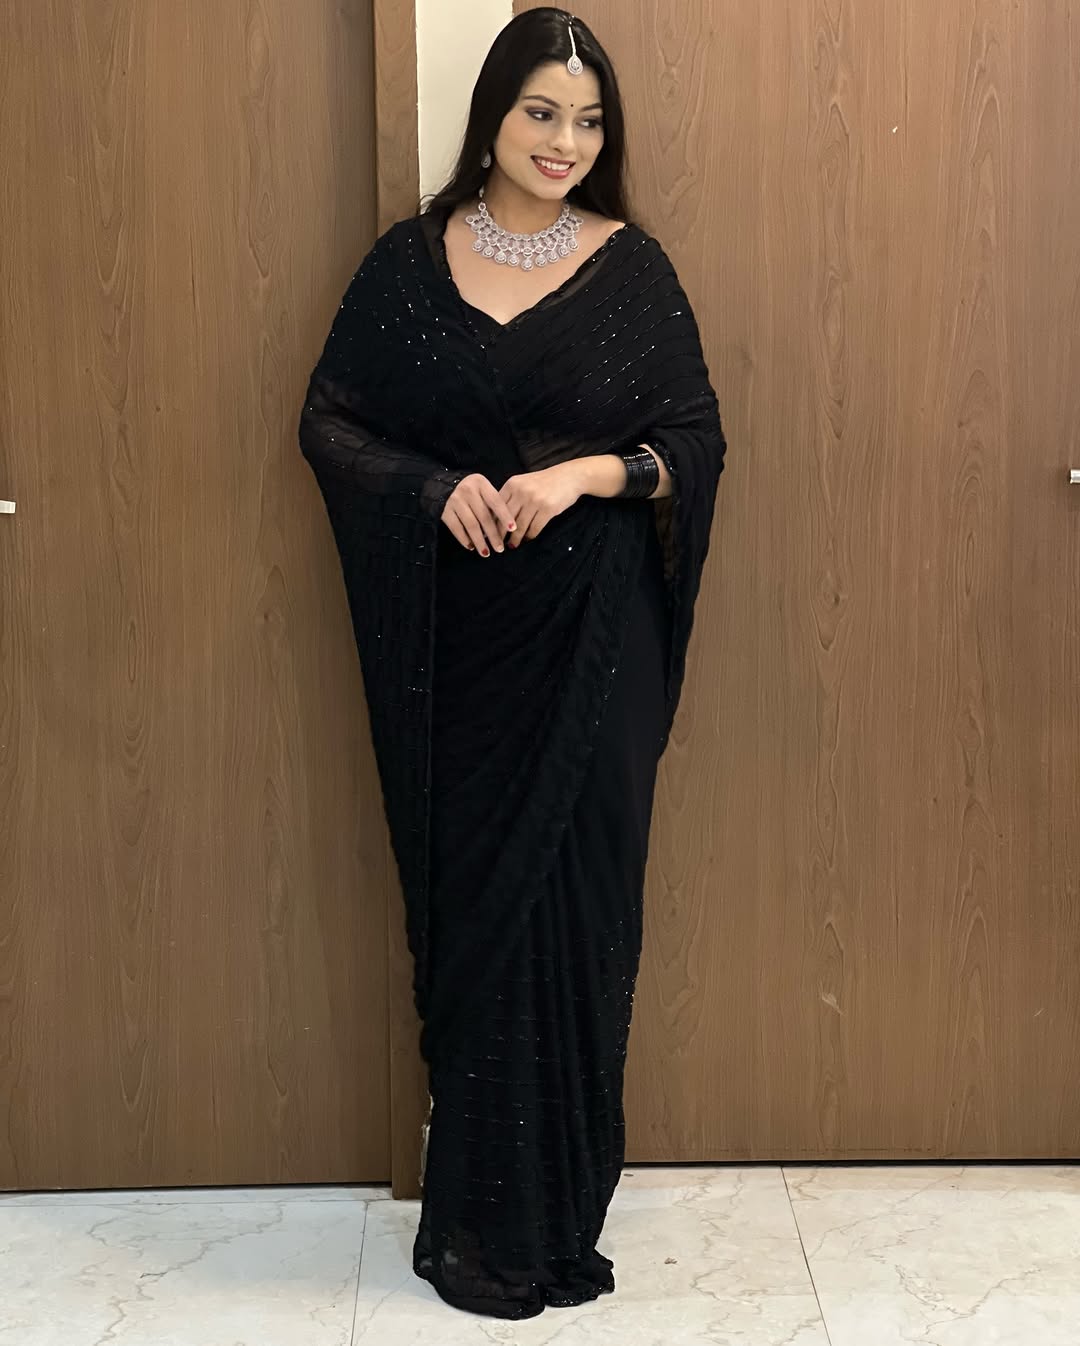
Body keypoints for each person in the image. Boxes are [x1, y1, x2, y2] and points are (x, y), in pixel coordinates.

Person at [298, 6, 726, 1321]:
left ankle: (564, 1207)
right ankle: (483, 1214)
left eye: (589, 121)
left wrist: (583, 476)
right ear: (494, 113)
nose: (565, 141)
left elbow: (694, 444)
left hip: (598, 643)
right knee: (475, 909)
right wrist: (435, 490)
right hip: (459, 650)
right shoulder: (407, 267)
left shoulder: (632, 268)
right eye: (543, 111)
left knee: (581, 905)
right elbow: (330, 422)